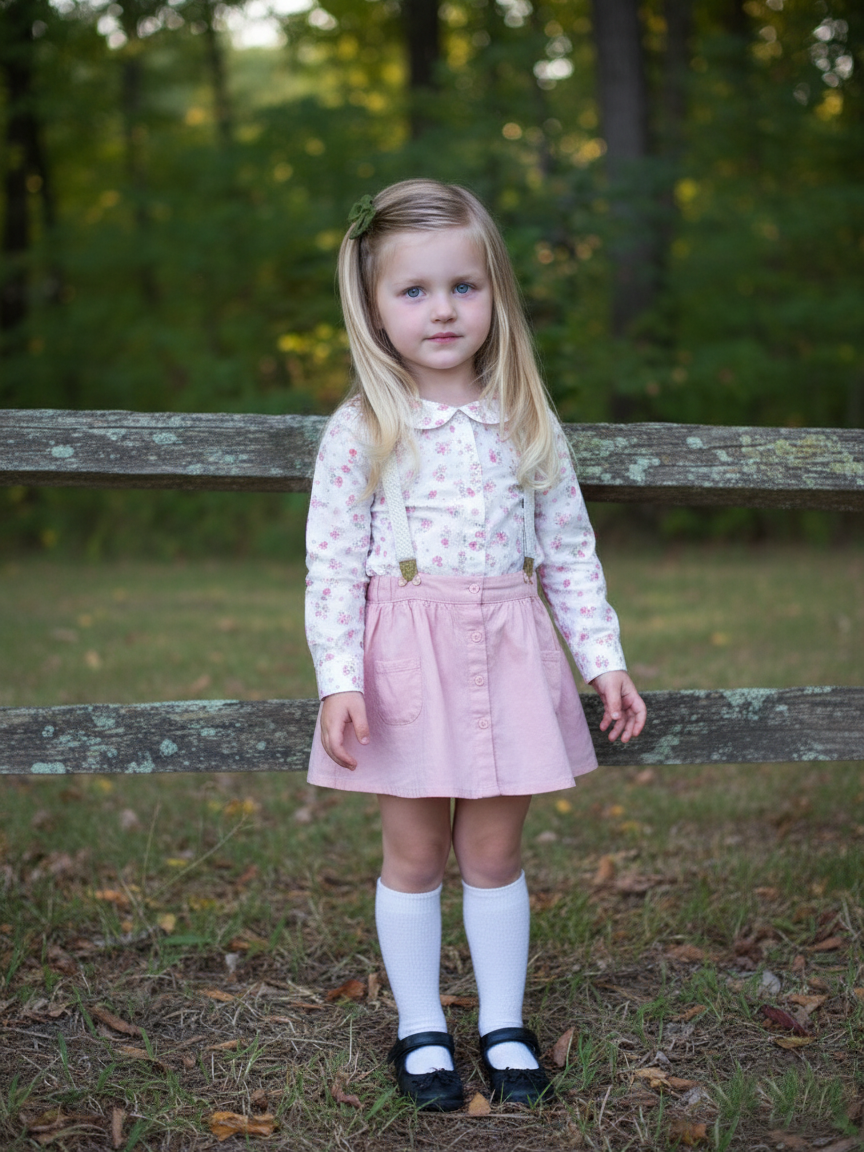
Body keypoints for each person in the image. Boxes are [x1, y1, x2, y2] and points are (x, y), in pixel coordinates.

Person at [304, 179, 646, 1111]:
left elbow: (568, 551)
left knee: (493, 852)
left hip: (509, 649)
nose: (443, 309)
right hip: (405, 661)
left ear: (495, 293)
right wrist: (339, 678)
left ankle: (502, 1022)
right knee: (415, 852)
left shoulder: (524, 418)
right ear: (374, 306)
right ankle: (421, 1027)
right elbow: (331, 569)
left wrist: (603, 658)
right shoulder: (364, 429)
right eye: (414, 290)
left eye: (464, 286)